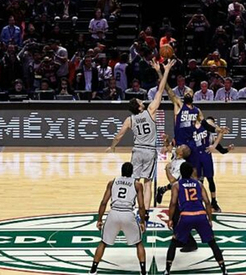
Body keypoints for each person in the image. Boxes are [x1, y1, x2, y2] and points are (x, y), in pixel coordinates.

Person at [107, 59, 175, 210]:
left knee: (134, 181)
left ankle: (134, 207)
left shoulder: (130, 119)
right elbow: (160, 89)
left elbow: (119, 135)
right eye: (139, 100)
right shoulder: (150, 111)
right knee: (148, 183)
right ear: (138, 107)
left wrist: (112, 147)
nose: (141, 100)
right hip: (150, 150)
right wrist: (166, 71)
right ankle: (146, 211)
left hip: (137, 150)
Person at [163, 162, 229, 275]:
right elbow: (207, 202)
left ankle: (167, 270)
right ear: (191, 172)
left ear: (181, 173)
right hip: (200, 215)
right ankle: (224, 270)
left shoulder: (177, 185)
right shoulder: (198, 184)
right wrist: (209, 218)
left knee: (174, 241)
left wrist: (170, 219)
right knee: (212, 243)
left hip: (186, 216)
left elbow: (173, 203)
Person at [89, 162, 147, 275]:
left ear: (121, 171)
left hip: (114, 213)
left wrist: (99, 219)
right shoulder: (137, 185)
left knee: (103, 243)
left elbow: (103, 202)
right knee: (139, 243)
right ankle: (143, 271)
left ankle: (93, 269)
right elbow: (141, 206)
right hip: (128, 214)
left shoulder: (112, 182)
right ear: (132, 173)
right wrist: (142, 221)